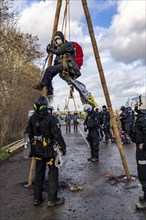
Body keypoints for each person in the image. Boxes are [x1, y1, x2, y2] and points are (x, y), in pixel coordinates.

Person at [27, 96, 66, 207]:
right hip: (49, 151)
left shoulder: (32, 118)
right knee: (53, 173)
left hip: (38, 151)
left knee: (39, 174)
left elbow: (29, 133)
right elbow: (57, 136)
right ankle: (52, 200)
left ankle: (37, 199)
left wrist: (33, 144)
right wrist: (63, 148)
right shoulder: (51, 119)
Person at [33, 31, 81, 95]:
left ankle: (41, 86)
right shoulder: (59, 47)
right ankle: (50, 91)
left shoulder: (68, 45)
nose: (57, 41)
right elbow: (53, 50)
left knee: (49, 70)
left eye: (58, 39)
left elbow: (58, 51)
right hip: (61, 65)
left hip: (67, 65)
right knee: (49, 74)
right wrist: (49, 48)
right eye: (56, 40)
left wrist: (50, 49)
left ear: (62, 38)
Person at [133, 96, 146, 209]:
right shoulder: (141, 116)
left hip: (143, 151)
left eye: (138, 103)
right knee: (142, 173)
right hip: (140, 149)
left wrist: (144, 145)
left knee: (144, 173)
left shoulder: (144, 118)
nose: (136, 105)